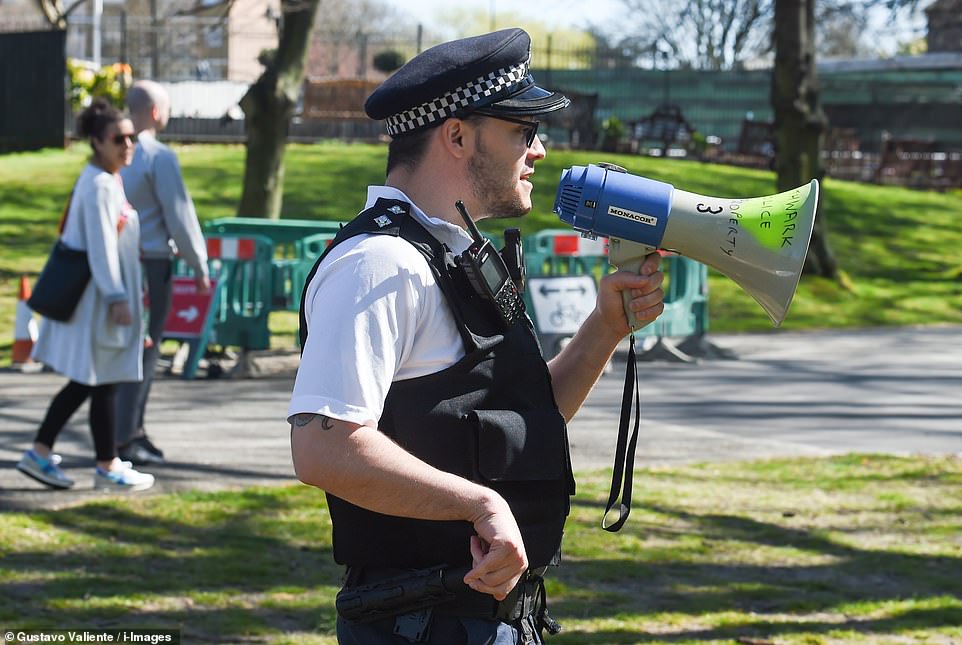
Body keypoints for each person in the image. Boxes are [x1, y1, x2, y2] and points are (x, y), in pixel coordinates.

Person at [288, 28, 665, 644]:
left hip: (480, 621)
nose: (538, 151)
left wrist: (605, 327)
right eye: (522, 131)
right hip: (421, 624)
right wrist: (480, 505)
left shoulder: (448, 251)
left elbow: (519, 424)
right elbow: (323, 448)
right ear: (457, 135)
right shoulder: (379, 263)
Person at [17, 98, 155, 492]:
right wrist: (117, 299)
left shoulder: (107, 178)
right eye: (118, 138)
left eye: (132, 137)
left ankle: (87, 460)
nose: (128, 144)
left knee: (97, 382)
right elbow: (100, 246)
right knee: (95, 381)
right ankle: (90, 462)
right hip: (100, 304)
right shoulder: (97, 184)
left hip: (109, 300)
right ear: (97, 141)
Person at [115, 80, 210, 465]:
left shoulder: (112, 154)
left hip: (119, 264)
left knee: (125, 351)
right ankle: (127, 436)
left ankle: (130, 430)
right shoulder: (158, 156)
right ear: (156, 112)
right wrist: (198, 265)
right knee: (146, 351)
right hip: (152, 265)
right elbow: (179, 216)